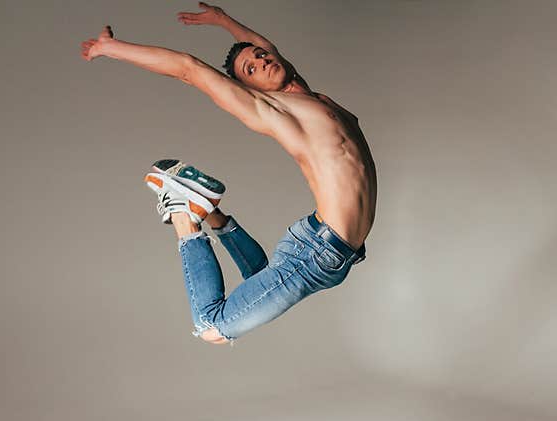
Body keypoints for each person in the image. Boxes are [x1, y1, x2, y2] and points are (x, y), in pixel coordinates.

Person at [80, 3, 376, 345]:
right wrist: (109, 48)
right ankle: (182, 210)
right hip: (318, 254)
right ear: (252, 90)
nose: (263, 61)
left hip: (332, 249)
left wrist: (222, 20)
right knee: (211, 327)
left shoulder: (311, 97)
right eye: (252, 68)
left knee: (260, 274)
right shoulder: (276, 110)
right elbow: (188, 69)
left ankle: (212, 211)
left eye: (262, 56)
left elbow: (262, 44)